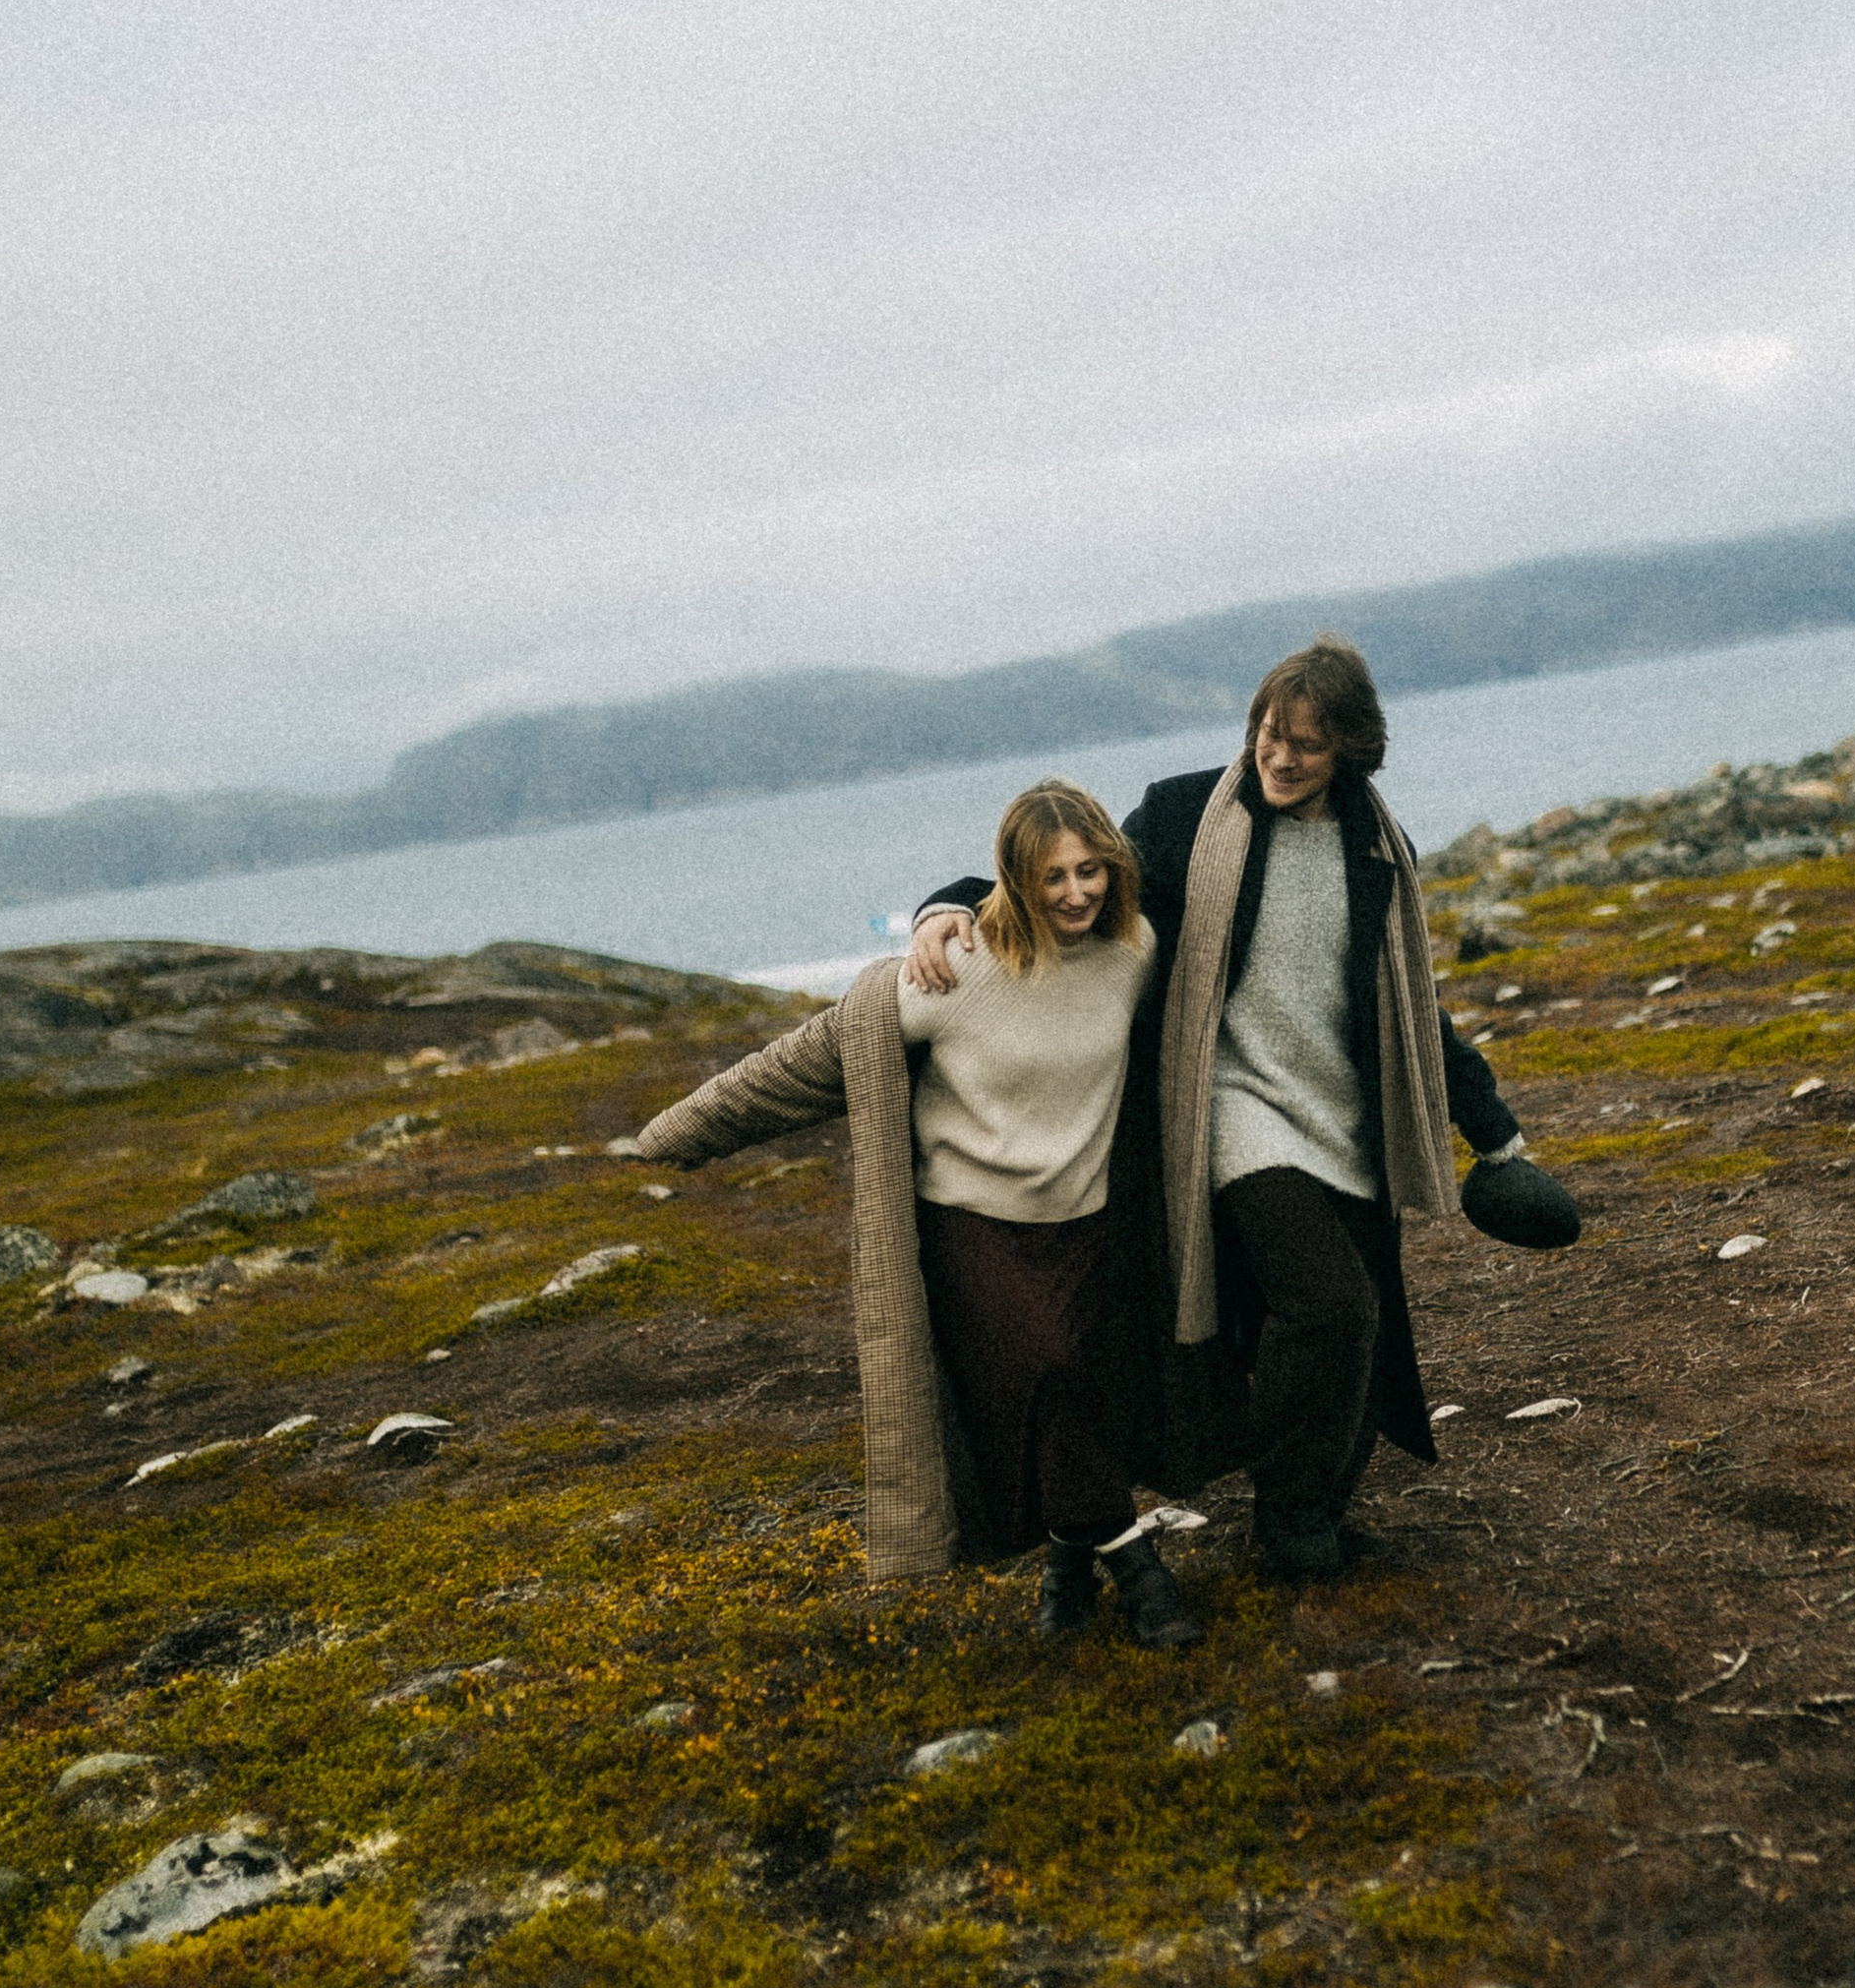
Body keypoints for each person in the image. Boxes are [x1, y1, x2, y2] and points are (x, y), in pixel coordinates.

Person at [906, 635, 1574, 1582]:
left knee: (1360, 1330)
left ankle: (1300, 1518)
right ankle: (1237, 1469)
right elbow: (1072, 881)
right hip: (1229, 1109)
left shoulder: (1377, 848)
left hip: (1344, 1117)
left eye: (1307, 742)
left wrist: (1495, 1135)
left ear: (1351, 750)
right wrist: (948, 905)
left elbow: (1413, 1006)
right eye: (1270, 733)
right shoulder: (1186, 817)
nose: (1282, 757)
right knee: (1332, 1305)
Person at [636, 780, 1197, 1645]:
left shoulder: (1135, 954)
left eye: (1091, 870)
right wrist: (683, 1130)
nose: (1077, 892)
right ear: (1013, 879)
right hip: (971, 1225)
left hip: (1083, 1226)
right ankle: (1138, 1567)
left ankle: (1064, 1562)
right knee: (1049, 1373)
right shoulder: (957, 970)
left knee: (1068, 1399)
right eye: (1053, 877)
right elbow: (816, 1058)